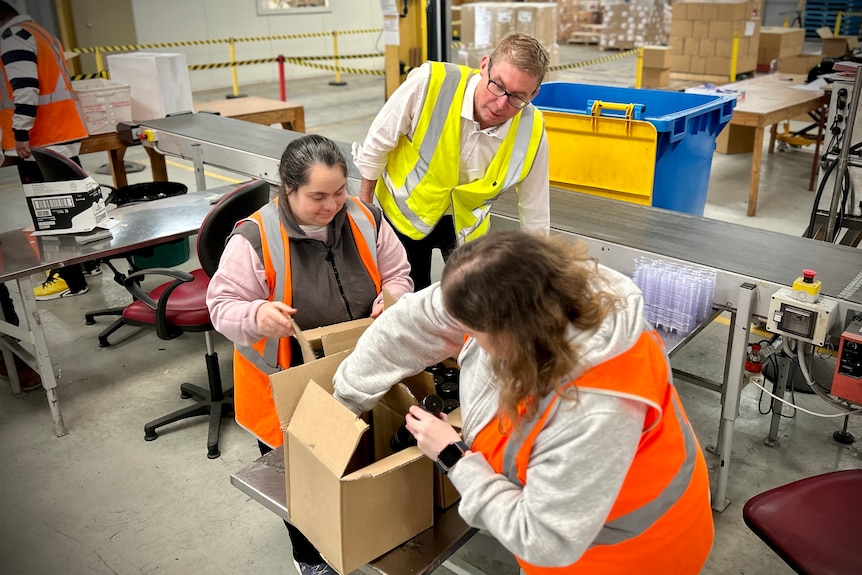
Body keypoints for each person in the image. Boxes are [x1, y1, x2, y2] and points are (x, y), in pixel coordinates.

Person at [332, 231, 715, 575]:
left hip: (627, 554)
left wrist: (454, 458)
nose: (462, 337)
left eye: (472, 333)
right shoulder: (520, 291)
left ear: (512, 336)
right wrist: (344, 400)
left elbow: (545, 539)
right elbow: (414, 322)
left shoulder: (594, 409)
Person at [206, 134, 413, 575]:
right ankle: (309, 557)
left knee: (356, 457)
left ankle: (354, 533)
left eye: (339, 191)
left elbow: (399, 273)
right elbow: (221, 306)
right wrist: (258, 313)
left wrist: (390, 296)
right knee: (302, 479)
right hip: (289, 382)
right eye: (318, 196)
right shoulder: (255, 238)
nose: (333, 205)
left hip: (357, 368)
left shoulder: (365, 217)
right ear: (288, 190)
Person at [353, 32, 551, 290]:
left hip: (465, 226)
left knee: (475, 301)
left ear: (534, 94)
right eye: (497, 85)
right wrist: (367, 216)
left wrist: (539, 270)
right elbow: (379, 141)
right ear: (484, 65)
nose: (501, 104)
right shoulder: (431, 84)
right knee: (407, 299)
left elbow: (535, 210)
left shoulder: (532, 131)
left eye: (517, 97)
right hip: (403, 214)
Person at [0, 0, 96, 301]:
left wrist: (20, 132)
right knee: (74, 208)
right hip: (61, 133)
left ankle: (68, 279)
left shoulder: (14, 37)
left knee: (50, 215)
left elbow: (26, 87)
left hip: (39, 140)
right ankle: (87, 264)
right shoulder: (39, 31)